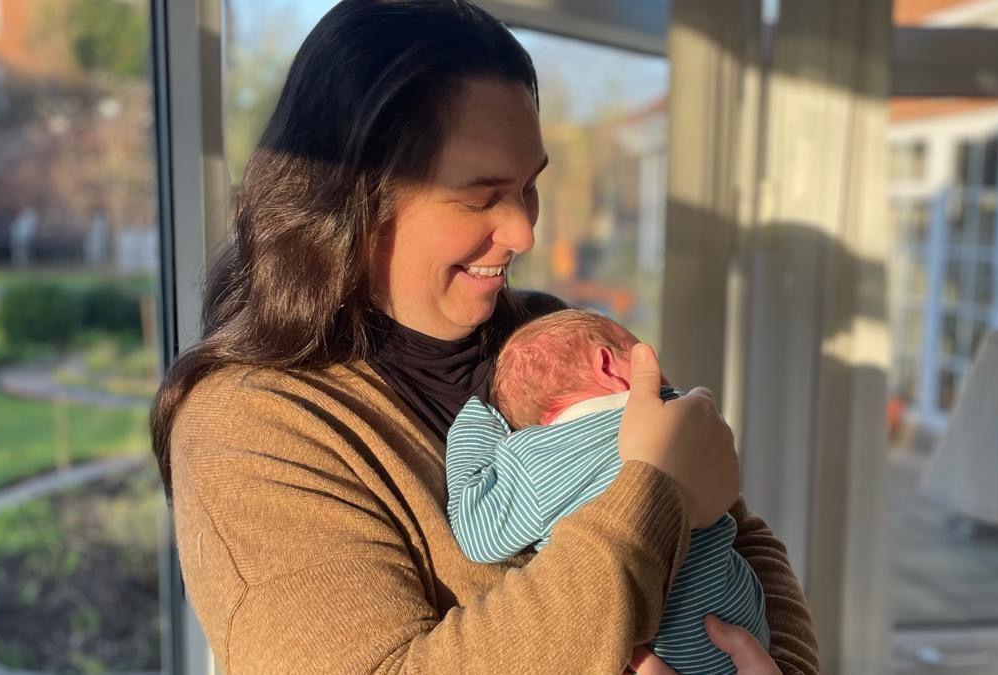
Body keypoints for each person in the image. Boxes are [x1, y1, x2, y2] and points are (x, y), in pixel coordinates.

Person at [150, 1, 819, 672]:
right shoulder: (251, 427)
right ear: (355, 194)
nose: (525, 231)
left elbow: (740, 538)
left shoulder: (547, 333)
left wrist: (778, 665)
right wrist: (654, 498)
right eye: (482, 195)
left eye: (529, 187)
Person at [447, 309, 769, 674]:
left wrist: (475, 429)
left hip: (655, 649)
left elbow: (479, 536)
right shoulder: (678, 411)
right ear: (607, 364)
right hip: (744, 631)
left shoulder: (534, 458)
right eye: (636, 350)